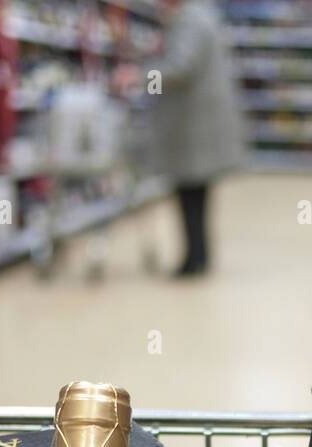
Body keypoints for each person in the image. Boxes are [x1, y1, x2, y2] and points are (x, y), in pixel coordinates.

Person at [134, 0, 243, 277]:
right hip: (196, 121)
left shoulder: (191, 19)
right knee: (195, 192)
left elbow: (181, 68)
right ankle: (197, 257)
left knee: (189, 191)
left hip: (193, 124)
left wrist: (140, 76)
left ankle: (193, 261)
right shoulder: (198, 15)